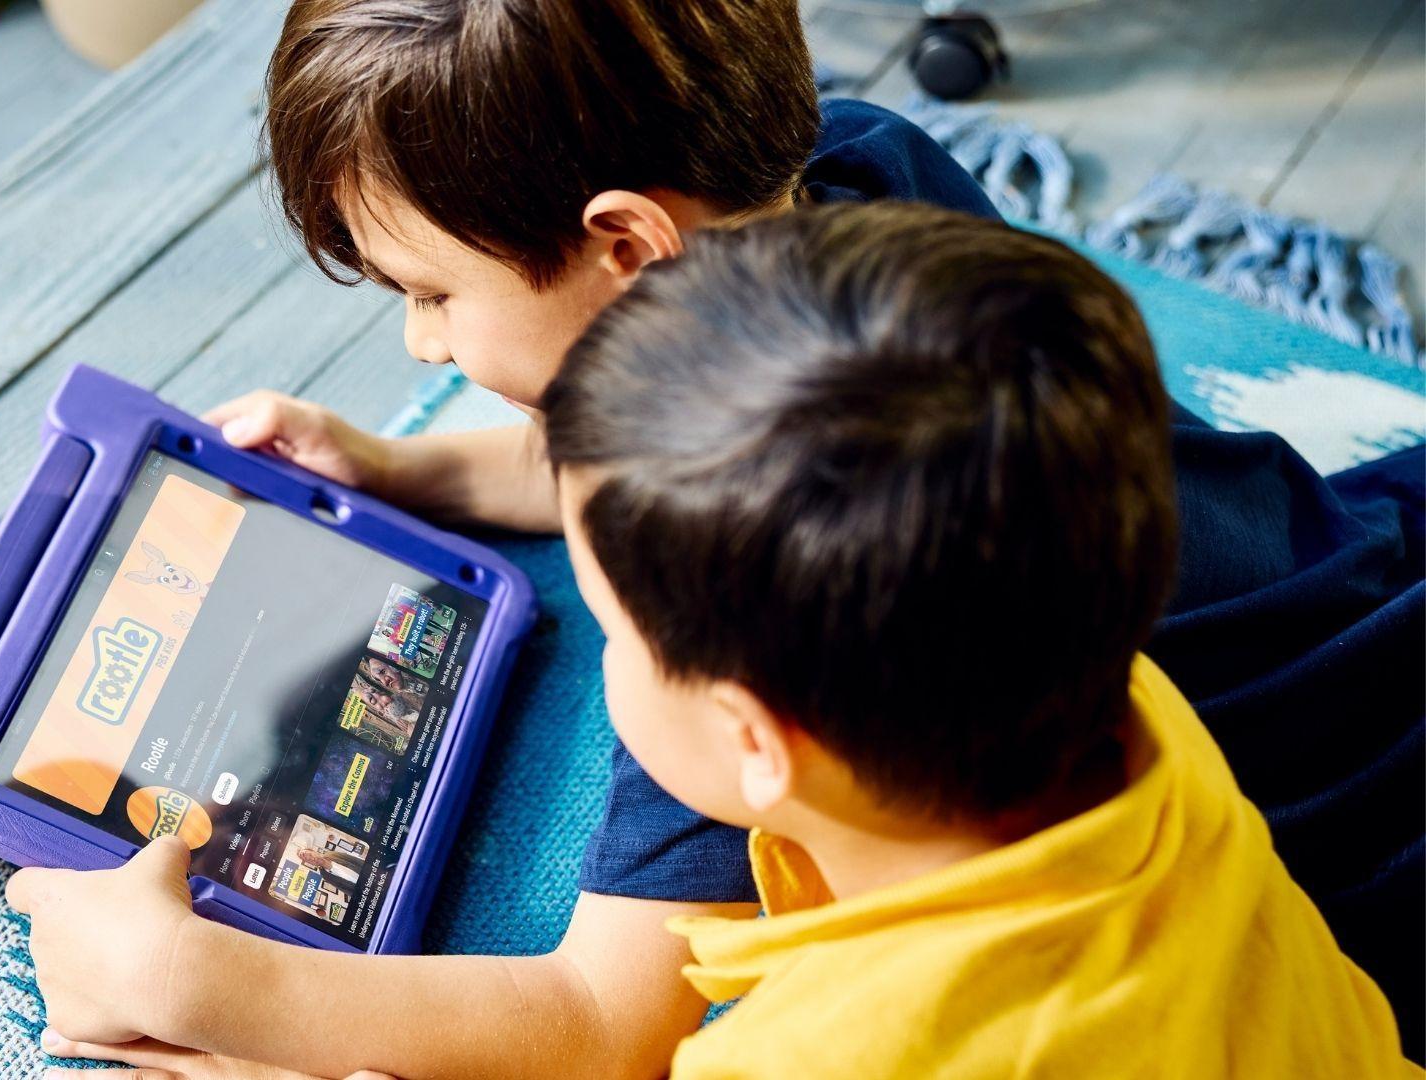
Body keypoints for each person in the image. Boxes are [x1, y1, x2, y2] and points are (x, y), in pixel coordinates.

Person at [3, 0, 1423, 1072]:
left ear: (627, 245)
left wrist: (197, 986)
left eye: (429, 294)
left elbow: (599, 1025)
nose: (420, 340)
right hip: (1332, 557)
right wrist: (408, 469)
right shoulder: (872, 195)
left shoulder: (784, 638)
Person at [533, 204, 1411, 1076]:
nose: (605, 652)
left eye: (613, 630)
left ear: (756, 741)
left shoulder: (795, 1061)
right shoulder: (1140, 708)